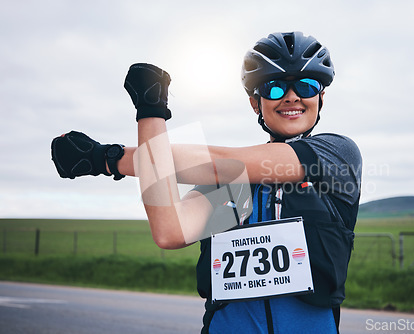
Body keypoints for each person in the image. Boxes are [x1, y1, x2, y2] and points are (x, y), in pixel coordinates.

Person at [51, 31, 362, 334]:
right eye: (275, 88)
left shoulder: (338, 154)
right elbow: (170, 229)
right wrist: (150, 112)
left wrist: (104, 158)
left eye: (306, 86)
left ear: (322, 97)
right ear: (256, 103)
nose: (292, 96)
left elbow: (218, 163)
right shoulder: (239, 185)